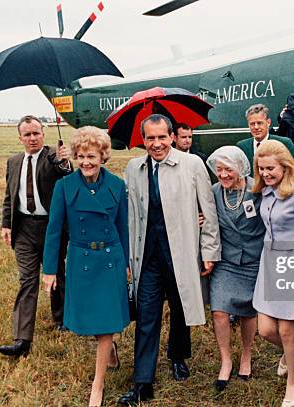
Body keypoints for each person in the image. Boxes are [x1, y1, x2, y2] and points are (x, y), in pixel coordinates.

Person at [118, 114, 221, 405]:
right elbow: (130, 214)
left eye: (162, 137)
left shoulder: (191, 165)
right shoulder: (133, 168)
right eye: (150, 138)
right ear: (143, 140)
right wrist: (129, 255)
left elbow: (208, 210)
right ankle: (143, 381)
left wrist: (210, 251)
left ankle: (177, 356)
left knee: (180, 306)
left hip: (181, 251)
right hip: (148, 254)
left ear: (172, 137)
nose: (157, 144)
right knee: (147, 313)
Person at [42, 126, 129, 407]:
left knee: (105, 324)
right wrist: (50, 270)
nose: (86, 162)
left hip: (110, 258)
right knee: (91, 322)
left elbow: (122, 227)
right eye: (80, 156)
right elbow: (54, 230)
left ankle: (98, 384)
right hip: (81, 261)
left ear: (103, 155)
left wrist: (126, 262)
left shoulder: (117, 185)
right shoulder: (64, 187)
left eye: (91, 156)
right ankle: (110, 349)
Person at [0, 115, 71, 357]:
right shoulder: (14, 161)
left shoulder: (52, 157)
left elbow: (64, 171)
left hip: (51, 228)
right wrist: (6, 224)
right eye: (27, 134)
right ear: (20, 138)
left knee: (57, 273)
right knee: (27, 280)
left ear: (43, 134)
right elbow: (10, 196)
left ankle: (62, 320)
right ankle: (22, 339)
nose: (32, 138)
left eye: (36, 133)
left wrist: (64, 162)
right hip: (24, 230)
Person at [251, 140, 294, 407]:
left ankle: (292, 381)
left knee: (288, 331)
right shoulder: (265, 193)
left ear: (285, 166)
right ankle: (290, 356)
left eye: (270, 168)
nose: (265, 174)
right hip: (269, 264)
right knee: (266, 330)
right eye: (261, 168)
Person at [205, 146, 265, 391]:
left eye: (228, 169)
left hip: (253, 259)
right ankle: (226, 360)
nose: (223, 174)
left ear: (241, 168)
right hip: (227, 261)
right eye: (218, 169)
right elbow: (207, 217)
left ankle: (246, 356)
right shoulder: (213, 192)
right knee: (219, 311)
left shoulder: (257, 189)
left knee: (247, 311)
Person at [237, 104, 294, 177]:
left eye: (259, 123)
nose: (256, 127)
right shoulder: (242, 146)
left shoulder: (284, 143)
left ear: (268, 122)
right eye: (252, 124)